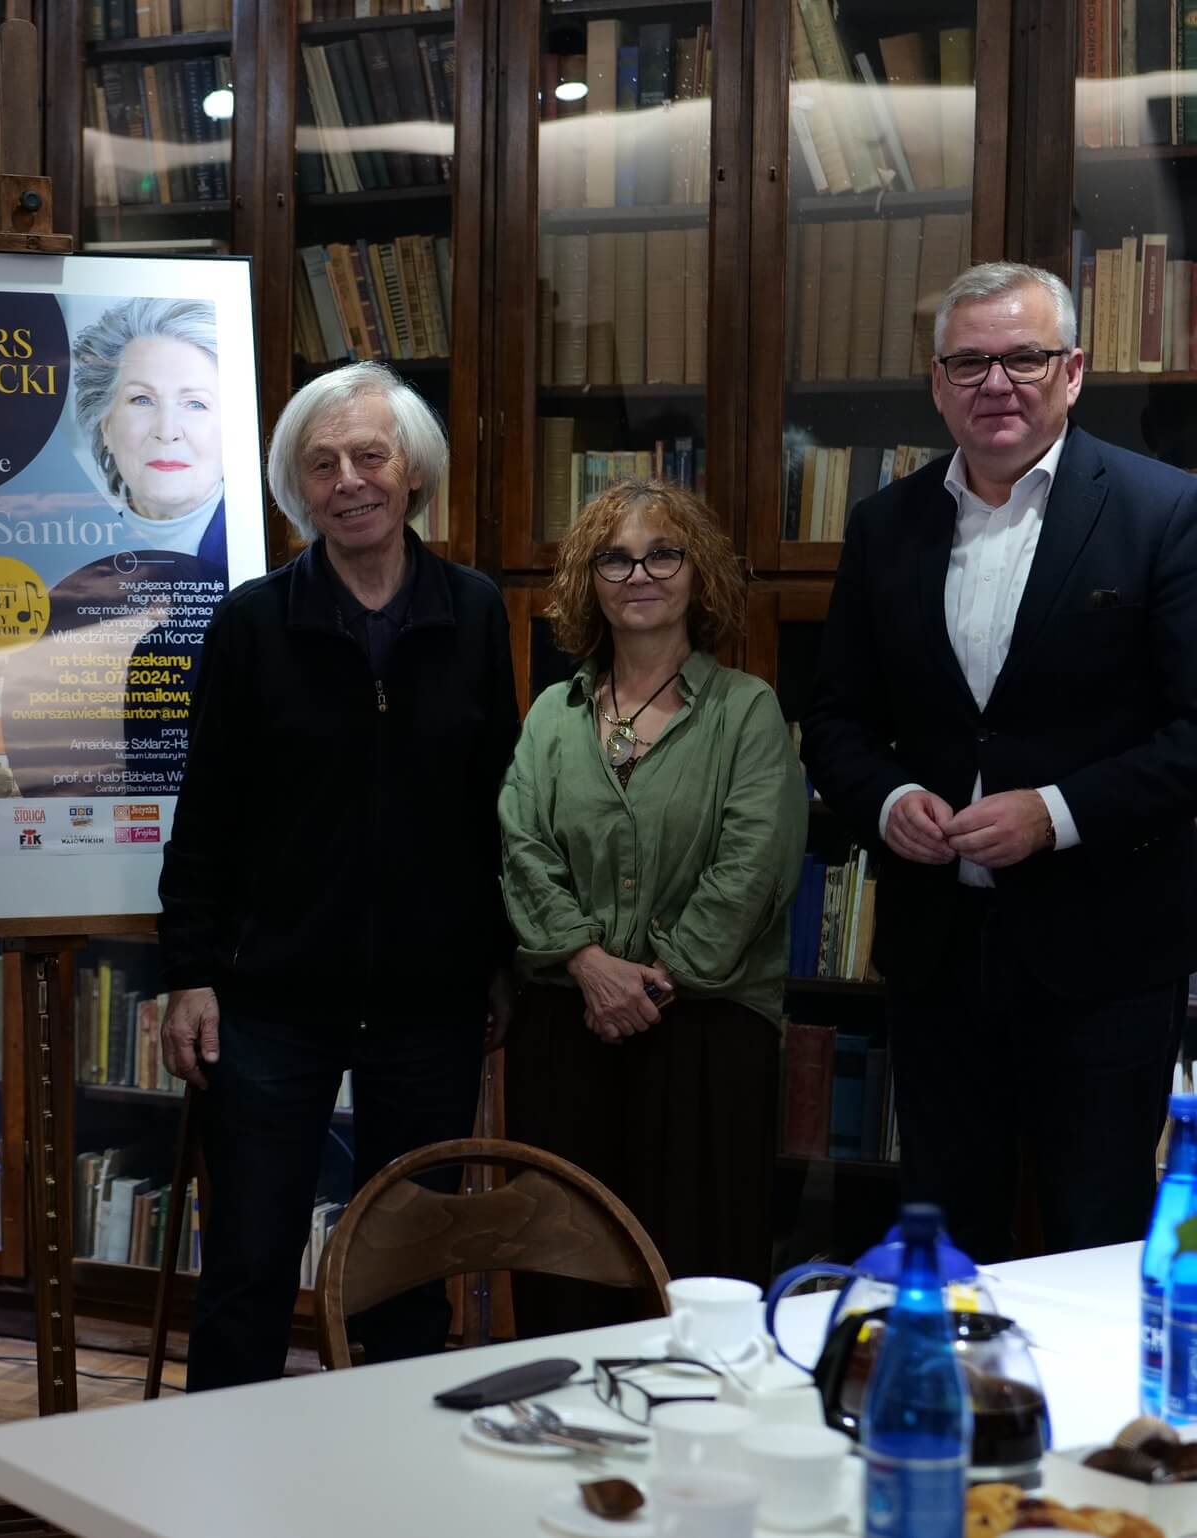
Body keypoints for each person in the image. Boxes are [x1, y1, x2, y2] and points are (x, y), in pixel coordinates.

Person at [804, 261, 1197, 1263]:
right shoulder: (884, 524)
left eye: (1020, 357)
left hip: (1102, 959)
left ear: (1070, 370)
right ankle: (951, 1417)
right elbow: (835, 720)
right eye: (968, 361)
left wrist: (1053, 812)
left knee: (1091, 1234)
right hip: (938, 959)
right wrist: (886, 796)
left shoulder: (1163, 512)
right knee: (946, 1239)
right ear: (935, 383)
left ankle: (1103, 1431)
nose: (995, 383)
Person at [157, 360, 518, 1391]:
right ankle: (223, 1492)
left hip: (430, 1001)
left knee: (407, 1263)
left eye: (370, 455)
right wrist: (189, 970)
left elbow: (499, 800)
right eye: (321, 464)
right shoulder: (251, 622)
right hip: (271, 1000)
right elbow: (207, 814)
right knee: (248, 1263)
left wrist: (501, 956)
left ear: (413, 475)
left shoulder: (476, 610)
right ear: (294, 487)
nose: (348, 479)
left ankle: (391, 1478)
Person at [500, 480, 805, 1323]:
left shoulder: (747, 712)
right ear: (588, 580)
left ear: (696, 573)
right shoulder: (551, 719)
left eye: (662, 553)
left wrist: (655, 982)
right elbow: (522, 852)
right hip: (566, 1028)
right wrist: (590, 966)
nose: (640, 574)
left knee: (693, 1282)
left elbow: (753, 869)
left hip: (705, 1034)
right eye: (615, 557)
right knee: (563, 1276)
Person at [71, 296, 227, 563]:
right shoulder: (75, 563)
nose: (167, 431)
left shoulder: (258, 554)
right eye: (142, 400)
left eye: (195, 404)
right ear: (105, 425)